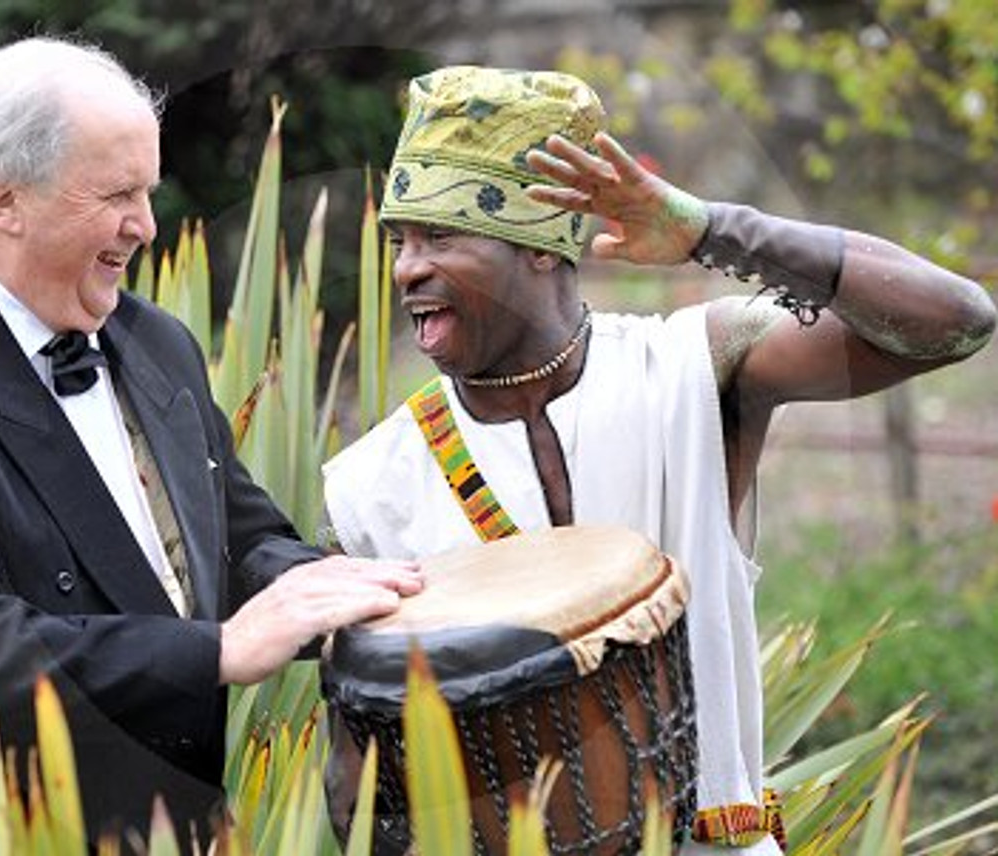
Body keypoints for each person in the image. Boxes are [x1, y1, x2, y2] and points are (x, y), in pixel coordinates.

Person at [322, 66, 995, 853]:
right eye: (400, 242)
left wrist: (710, 229)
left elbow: (956, 322)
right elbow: (356, 779)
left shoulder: (693, 370)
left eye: (439, 236)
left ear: (540, 248)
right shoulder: (371, 485)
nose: (407, 267)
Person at [0, 36, 423, 855]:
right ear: (5, 199)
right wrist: (221, 650)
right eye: (118, 194)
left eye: (148, 191)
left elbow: (240, 543)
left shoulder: (155, 341)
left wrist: (343, 597)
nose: (148, 226)